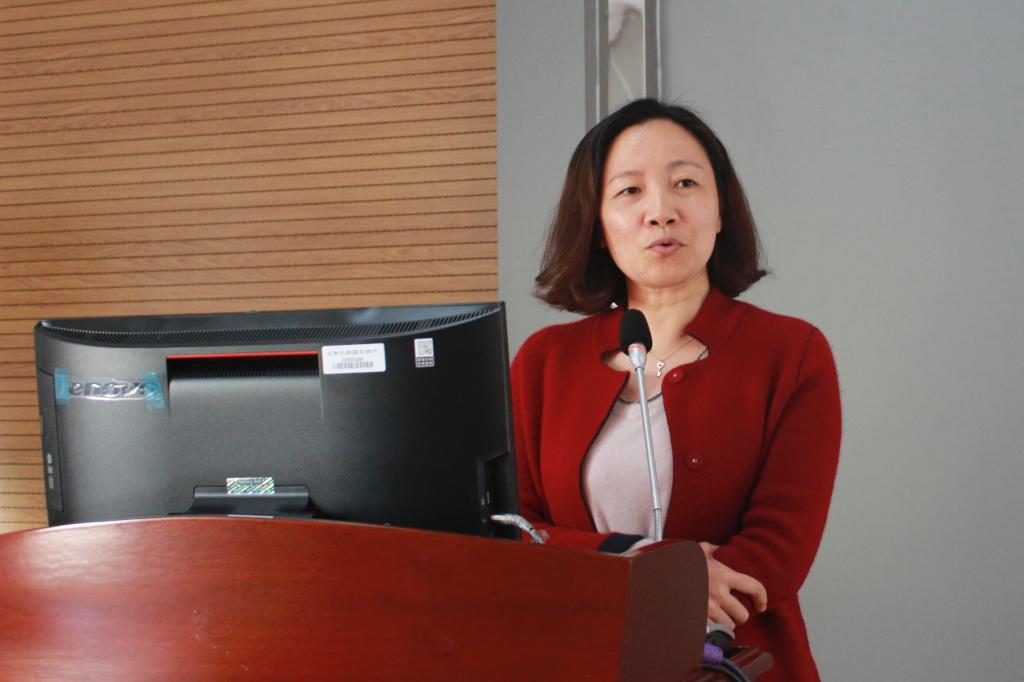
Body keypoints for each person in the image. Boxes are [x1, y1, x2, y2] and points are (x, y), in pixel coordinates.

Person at [510, 99, 841, 682]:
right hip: (574, 656)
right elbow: (514, 530)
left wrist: (641, 583)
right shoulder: (544, 360)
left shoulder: (791, 352)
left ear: (720, 211)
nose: (661, 212)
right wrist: (658, 568)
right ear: (598, 226)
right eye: (630, 191)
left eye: (685, 183)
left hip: (734, 664)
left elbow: (780, 548)